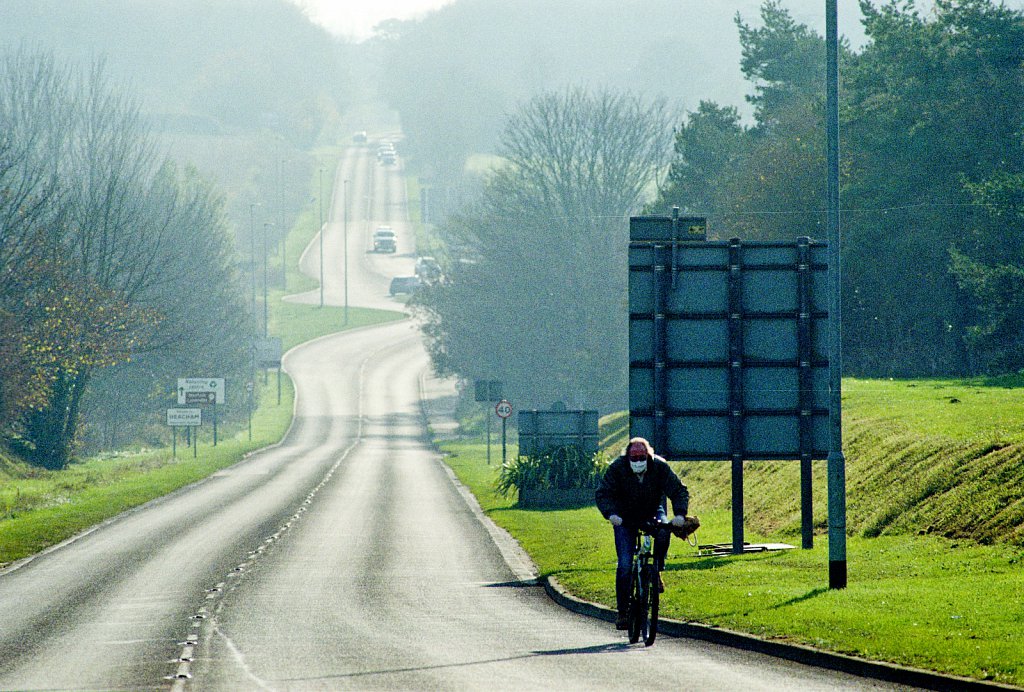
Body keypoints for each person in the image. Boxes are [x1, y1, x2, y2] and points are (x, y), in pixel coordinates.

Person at [595, 436, 689, 630]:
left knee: (664, 532)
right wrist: (611, 514)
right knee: (625, 565)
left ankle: (657, 570)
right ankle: (623, 612)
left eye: (642, 457)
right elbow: (604, 493)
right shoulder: (617, 468)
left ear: (649, 456)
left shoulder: (660, 468)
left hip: (652, 512)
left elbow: (678, 490)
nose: (638, 462)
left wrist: (680, 514)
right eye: (634, 458)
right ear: (627, 457)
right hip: (624, 518)